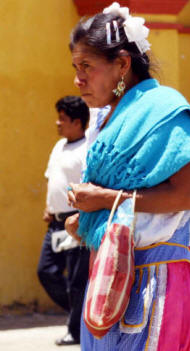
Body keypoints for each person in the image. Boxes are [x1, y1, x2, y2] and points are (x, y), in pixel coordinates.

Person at [65, 2, 190, 351]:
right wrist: (85, 219)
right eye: (75, 67)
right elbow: (126, 202)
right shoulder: (103, 121)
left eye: (87, 66)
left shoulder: (162, 110)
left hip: (169, 280)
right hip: (118, 278)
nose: (77, 79)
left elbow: (187, 196)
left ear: (123, 64)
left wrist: (103, 200)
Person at [37, 96, 90, 346]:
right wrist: (49, 206)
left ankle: (76, 330)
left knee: (76, 280)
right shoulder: (59, 146)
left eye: (63, 119)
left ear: (78, 122)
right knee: (46, 271)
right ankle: (79, 314)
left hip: (75, 222)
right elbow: (53, 179)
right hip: (55, 223)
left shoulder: (87, 148)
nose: (57, 123)